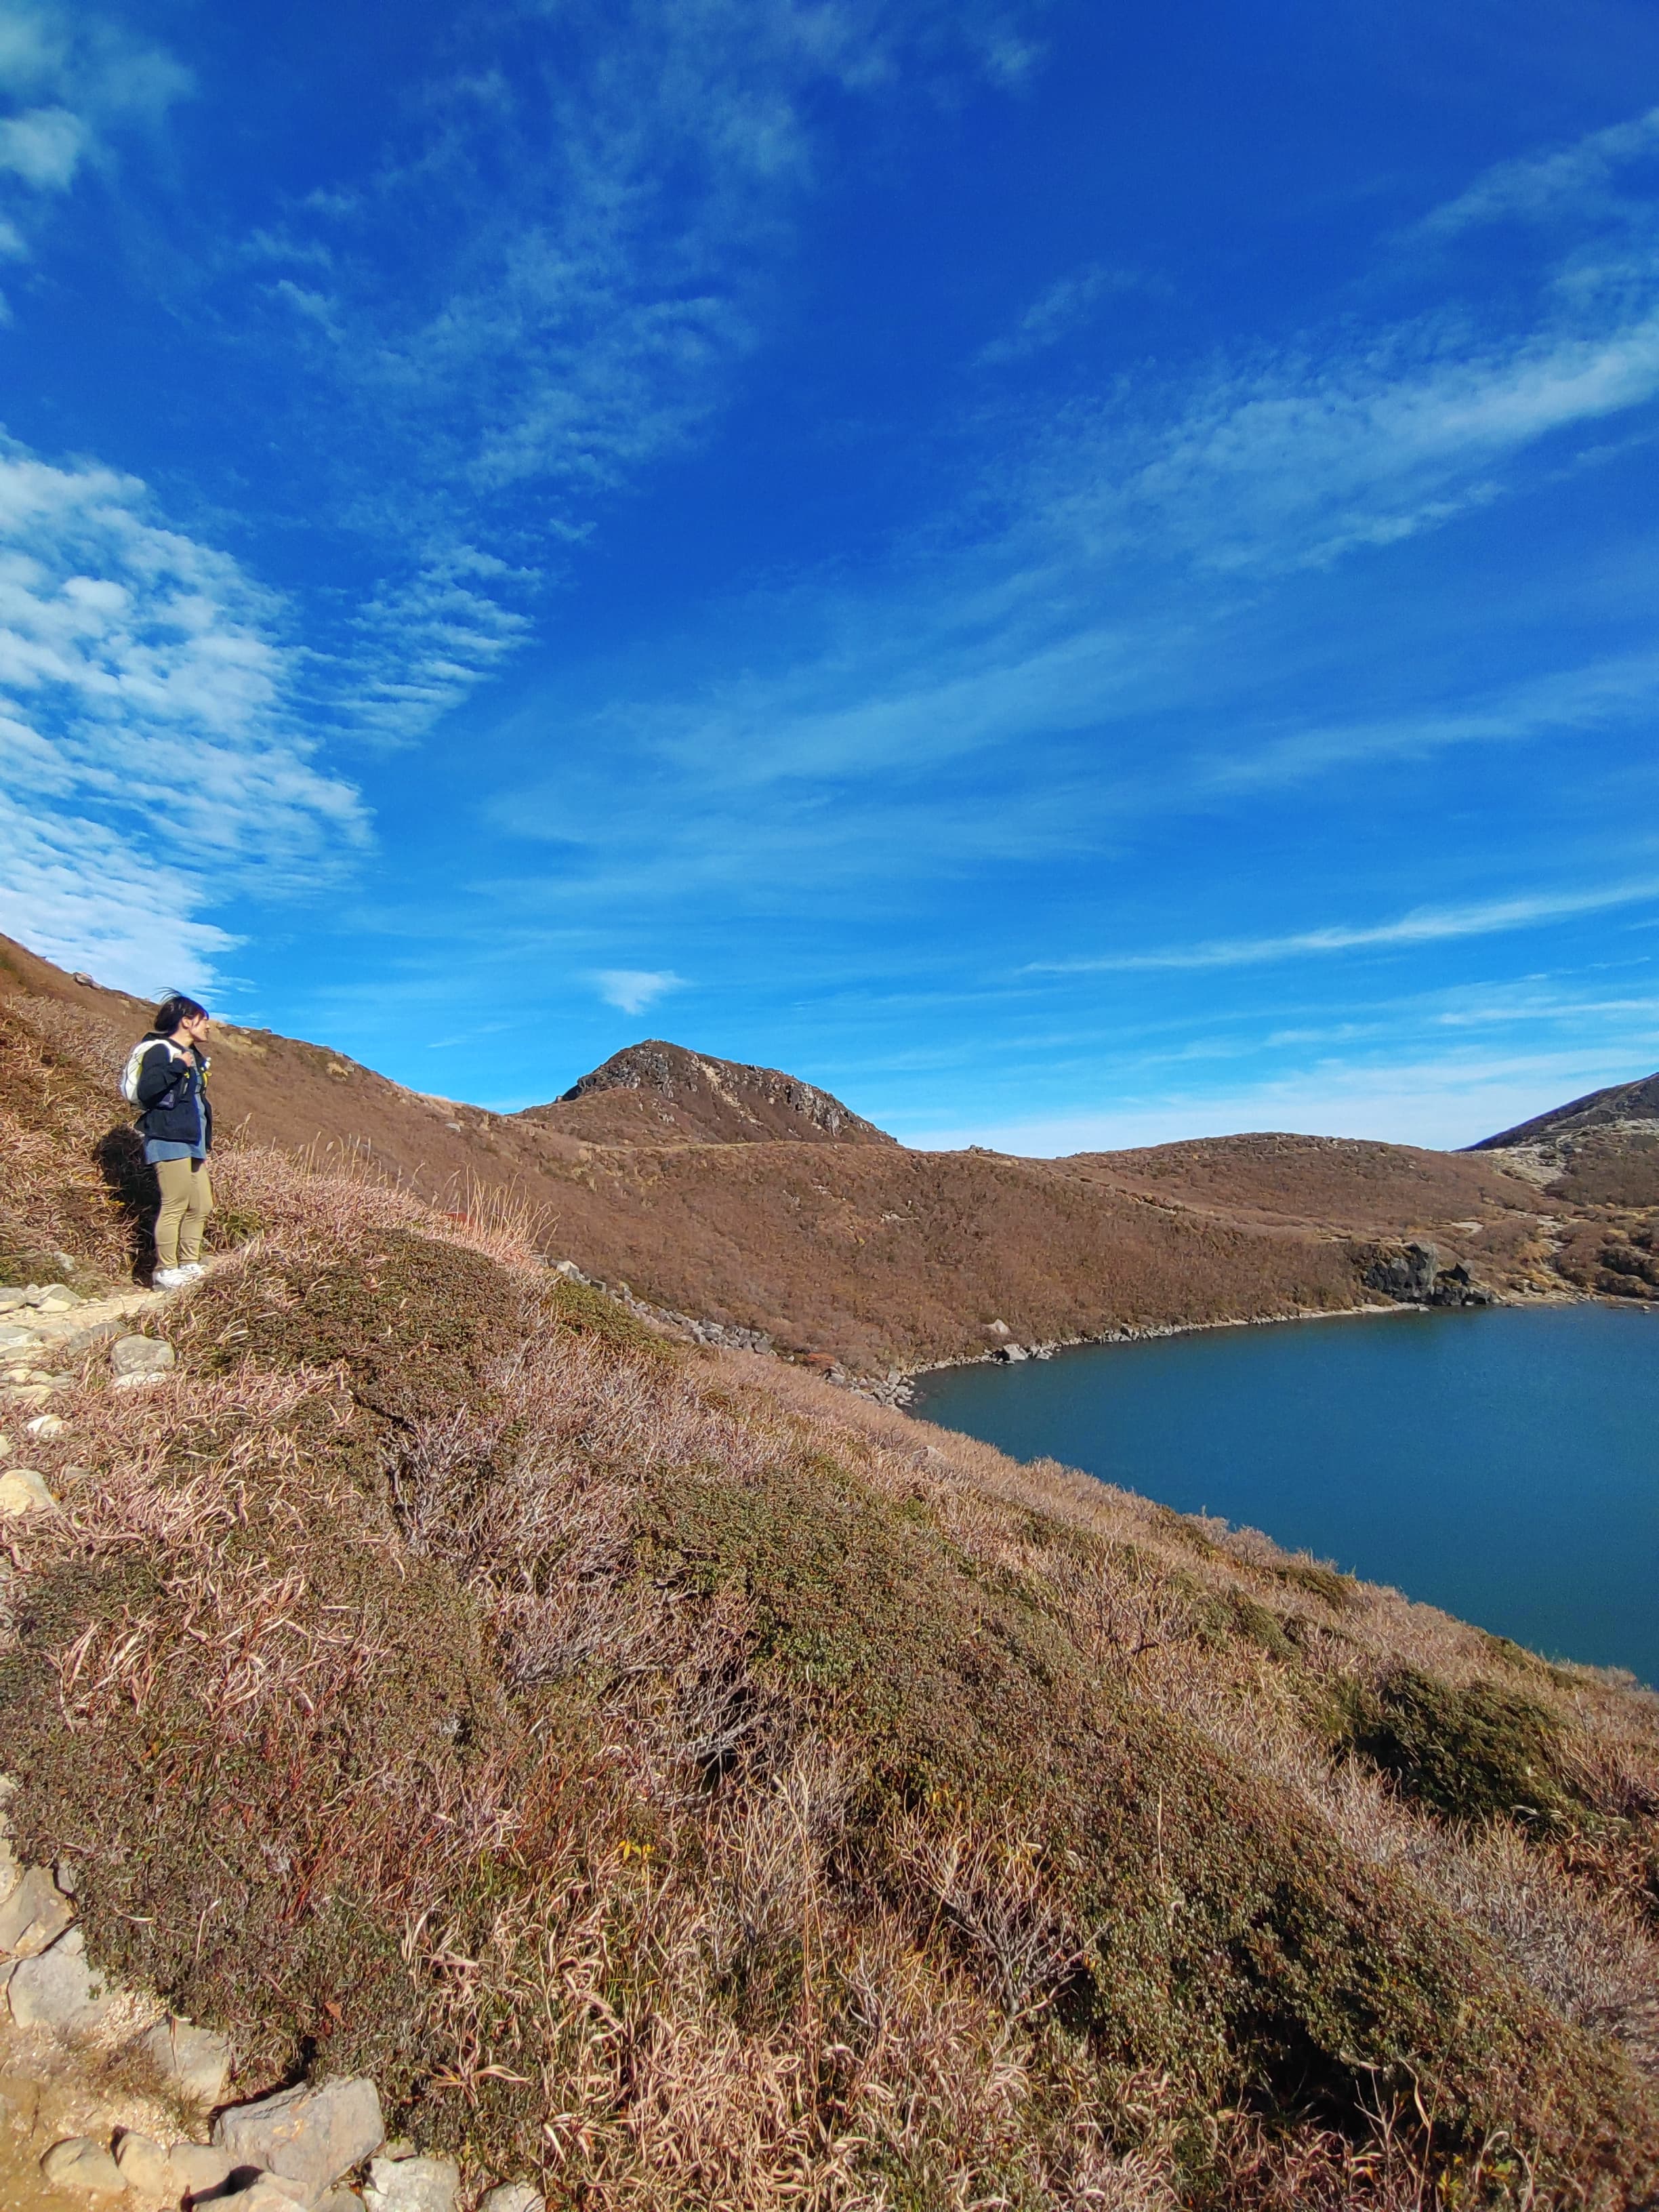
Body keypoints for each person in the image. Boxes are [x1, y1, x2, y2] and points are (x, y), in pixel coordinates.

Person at [132, 994, 214, 1290]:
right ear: (186, 1022)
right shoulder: (162, 1051)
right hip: (168, 1136)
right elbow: (148, 1090)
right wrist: (177, 1066)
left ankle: (189, 1263)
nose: (208, 1027)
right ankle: (165, 1270)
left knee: (202, 1204)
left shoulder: (195, 1057)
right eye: (203, 1021)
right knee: (175, 1203)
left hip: (192, 1139)